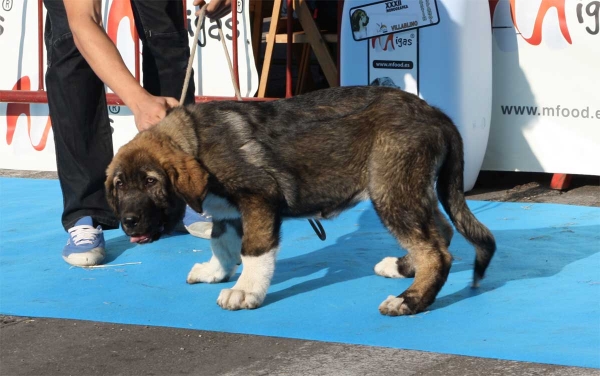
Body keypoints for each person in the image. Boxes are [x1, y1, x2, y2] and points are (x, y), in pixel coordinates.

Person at [43, 0, 232, 267]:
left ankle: (182, 194)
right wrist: (138, 100)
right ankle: (85, 211)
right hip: (77, 20)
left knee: (164, 31)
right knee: (70, 45)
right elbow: (83, 22)